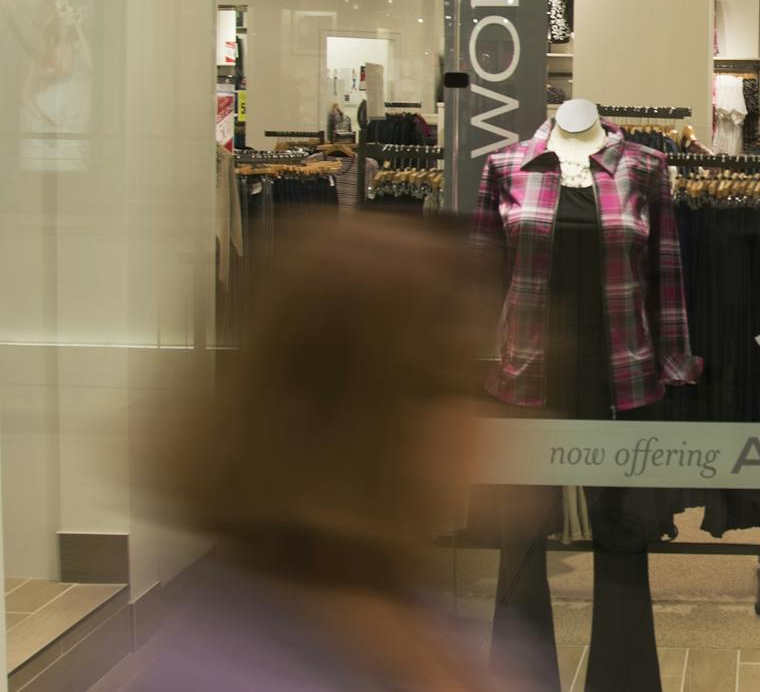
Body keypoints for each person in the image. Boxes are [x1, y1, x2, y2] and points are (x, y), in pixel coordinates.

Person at [131, 215, 502, 692]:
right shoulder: (234, 669)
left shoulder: (390, 613)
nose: (479, 424)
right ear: (375, 426)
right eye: (454, 390)